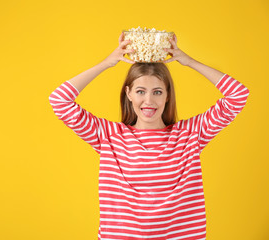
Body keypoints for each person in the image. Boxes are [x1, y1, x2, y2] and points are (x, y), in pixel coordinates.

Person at [49, 32, 249, 240]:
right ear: (128, 94)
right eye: (141, 91)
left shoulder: (190, 134)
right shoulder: (109, 136)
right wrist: (107, 63)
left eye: (157, 92)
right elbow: (59, 101)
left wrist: (189, 62)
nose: (149, 101)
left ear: (167, 95)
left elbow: (238, 96)